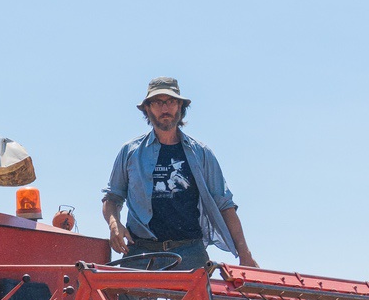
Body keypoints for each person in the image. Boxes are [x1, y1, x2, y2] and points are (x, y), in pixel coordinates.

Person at [102, 77, 258, 272]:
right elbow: (112, 197)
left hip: (189, 251)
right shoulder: (130, 151)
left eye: (171, 101)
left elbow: (224, 205)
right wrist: (114, 225)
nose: (164, 108)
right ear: (147, 109)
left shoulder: (200, 153)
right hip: (140, 249)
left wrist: (245, 254)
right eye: (158, 102)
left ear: (180, 106)